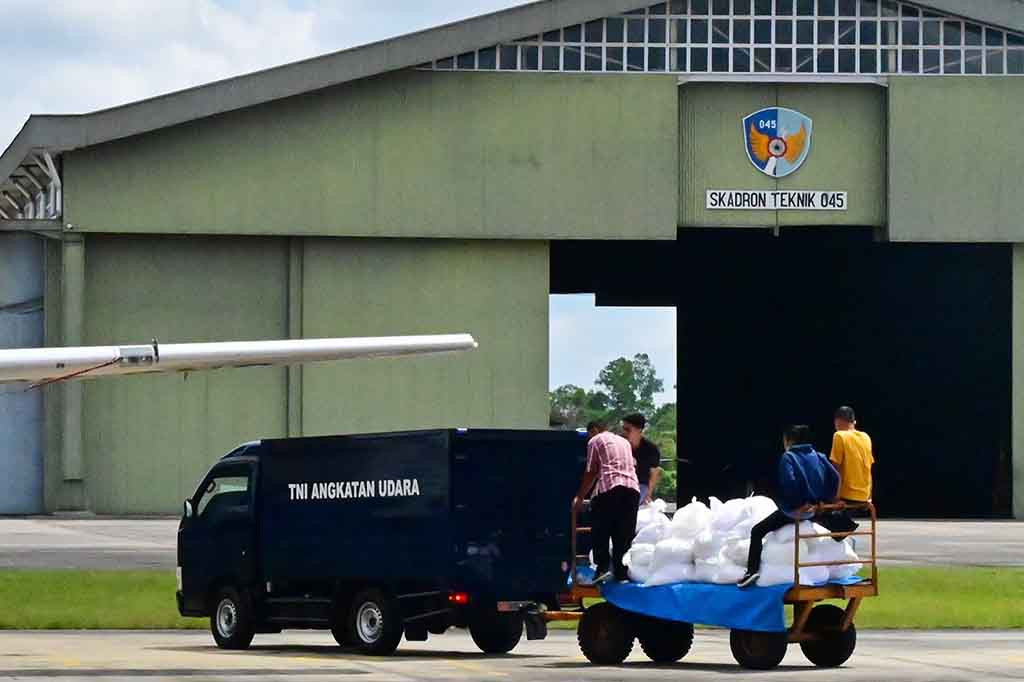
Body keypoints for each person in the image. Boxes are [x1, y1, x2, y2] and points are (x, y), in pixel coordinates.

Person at [737, 424, 840, 588]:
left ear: (789, 440)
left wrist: (798, 503)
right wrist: (826, 501)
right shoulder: (819, 456)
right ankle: (841, 538)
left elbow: (789, 482)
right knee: (834, 523)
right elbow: (835, 477)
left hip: (797, 510)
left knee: (757, 531)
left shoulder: (789, 457)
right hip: (816, 509)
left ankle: (752, 571)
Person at [574, 420, 640, 584]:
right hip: (632, 489)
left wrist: (580, 497)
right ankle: (621, 573)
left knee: (601, 528)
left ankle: (602, 569)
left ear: (594, 430)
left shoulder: (595, 440)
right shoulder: (624, 442)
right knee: (624, 533)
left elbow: (592, 471)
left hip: (611, 487)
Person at [830, 406, 874, 505]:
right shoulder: (866, 437)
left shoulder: (839, 435)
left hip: (846, 495)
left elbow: (836, 469)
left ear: (837, 421)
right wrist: (869, 496)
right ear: (854, 421)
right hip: (864, 495)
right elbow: (869, 469)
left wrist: (836, 497)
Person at [622, 413, 662, 505]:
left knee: (630, 503)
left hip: (640, 485)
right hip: (621, 483)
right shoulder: (620, 444)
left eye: (627, 430)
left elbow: (654, 473)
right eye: (623, 429)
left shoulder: (651, 449)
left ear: (639, 429)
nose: (624, 433)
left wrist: (648, 494)